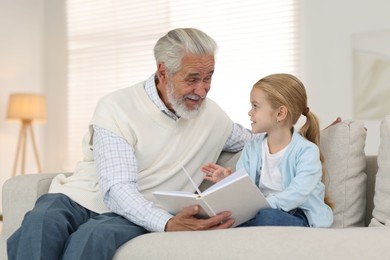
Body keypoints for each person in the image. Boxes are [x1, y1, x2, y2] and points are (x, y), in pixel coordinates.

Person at [7, 28, 253, 260]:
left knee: (92, 237)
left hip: (142, 206)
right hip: (82, 195)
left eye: (208, 77)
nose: (201, 90)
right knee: (40, 223)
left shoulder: (214, 117)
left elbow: (259, 139)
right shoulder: (117, 107)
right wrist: (166, 223)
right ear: (163, 71)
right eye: (192, 79)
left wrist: (288, 129)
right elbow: (117, 189)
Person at [201, 73, 334, 228]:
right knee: (226, 216)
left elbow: (297, 194)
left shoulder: (307, 151)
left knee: (268, 217)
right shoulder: (252, 147)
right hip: (258, 210)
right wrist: (228, 181)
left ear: (280, 113)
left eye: (255, 106)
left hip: (297, 213)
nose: (250, 112)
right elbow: (247, 192)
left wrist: (262, 205)